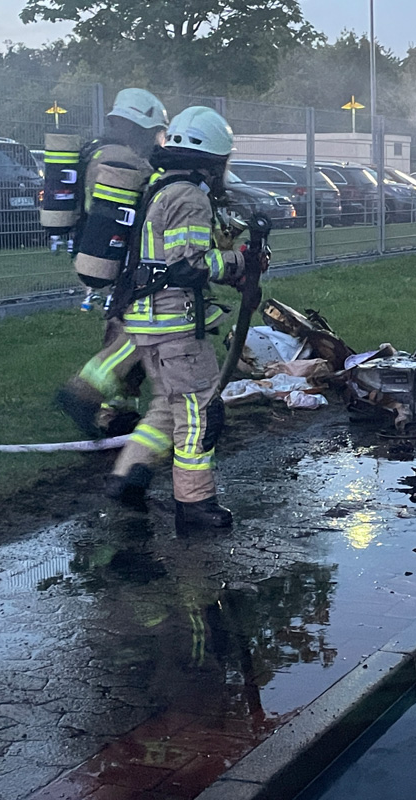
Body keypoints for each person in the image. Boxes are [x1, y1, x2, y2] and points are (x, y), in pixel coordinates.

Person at [86, 106, 264, 530]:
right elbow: (188, 265)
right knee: (201, 412)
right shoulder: (189, 197)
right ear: (213, 159)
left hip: (147, 324)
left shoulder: (160, 186)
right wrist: (241, 261)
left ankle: (129, 475)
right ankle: (195, 503)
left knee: (168, 406)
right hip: (175, 327)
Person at [56, 88, 169, 440]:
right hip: (126, 261)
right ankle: (81, 392)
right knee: (135, 335)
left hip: (102, 255)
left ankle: (119, 412)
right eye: (153, 133)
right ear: (140, 128)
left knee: (121, 327)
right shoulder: (128, 162)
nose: (155, 141)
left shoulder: (96, 152)